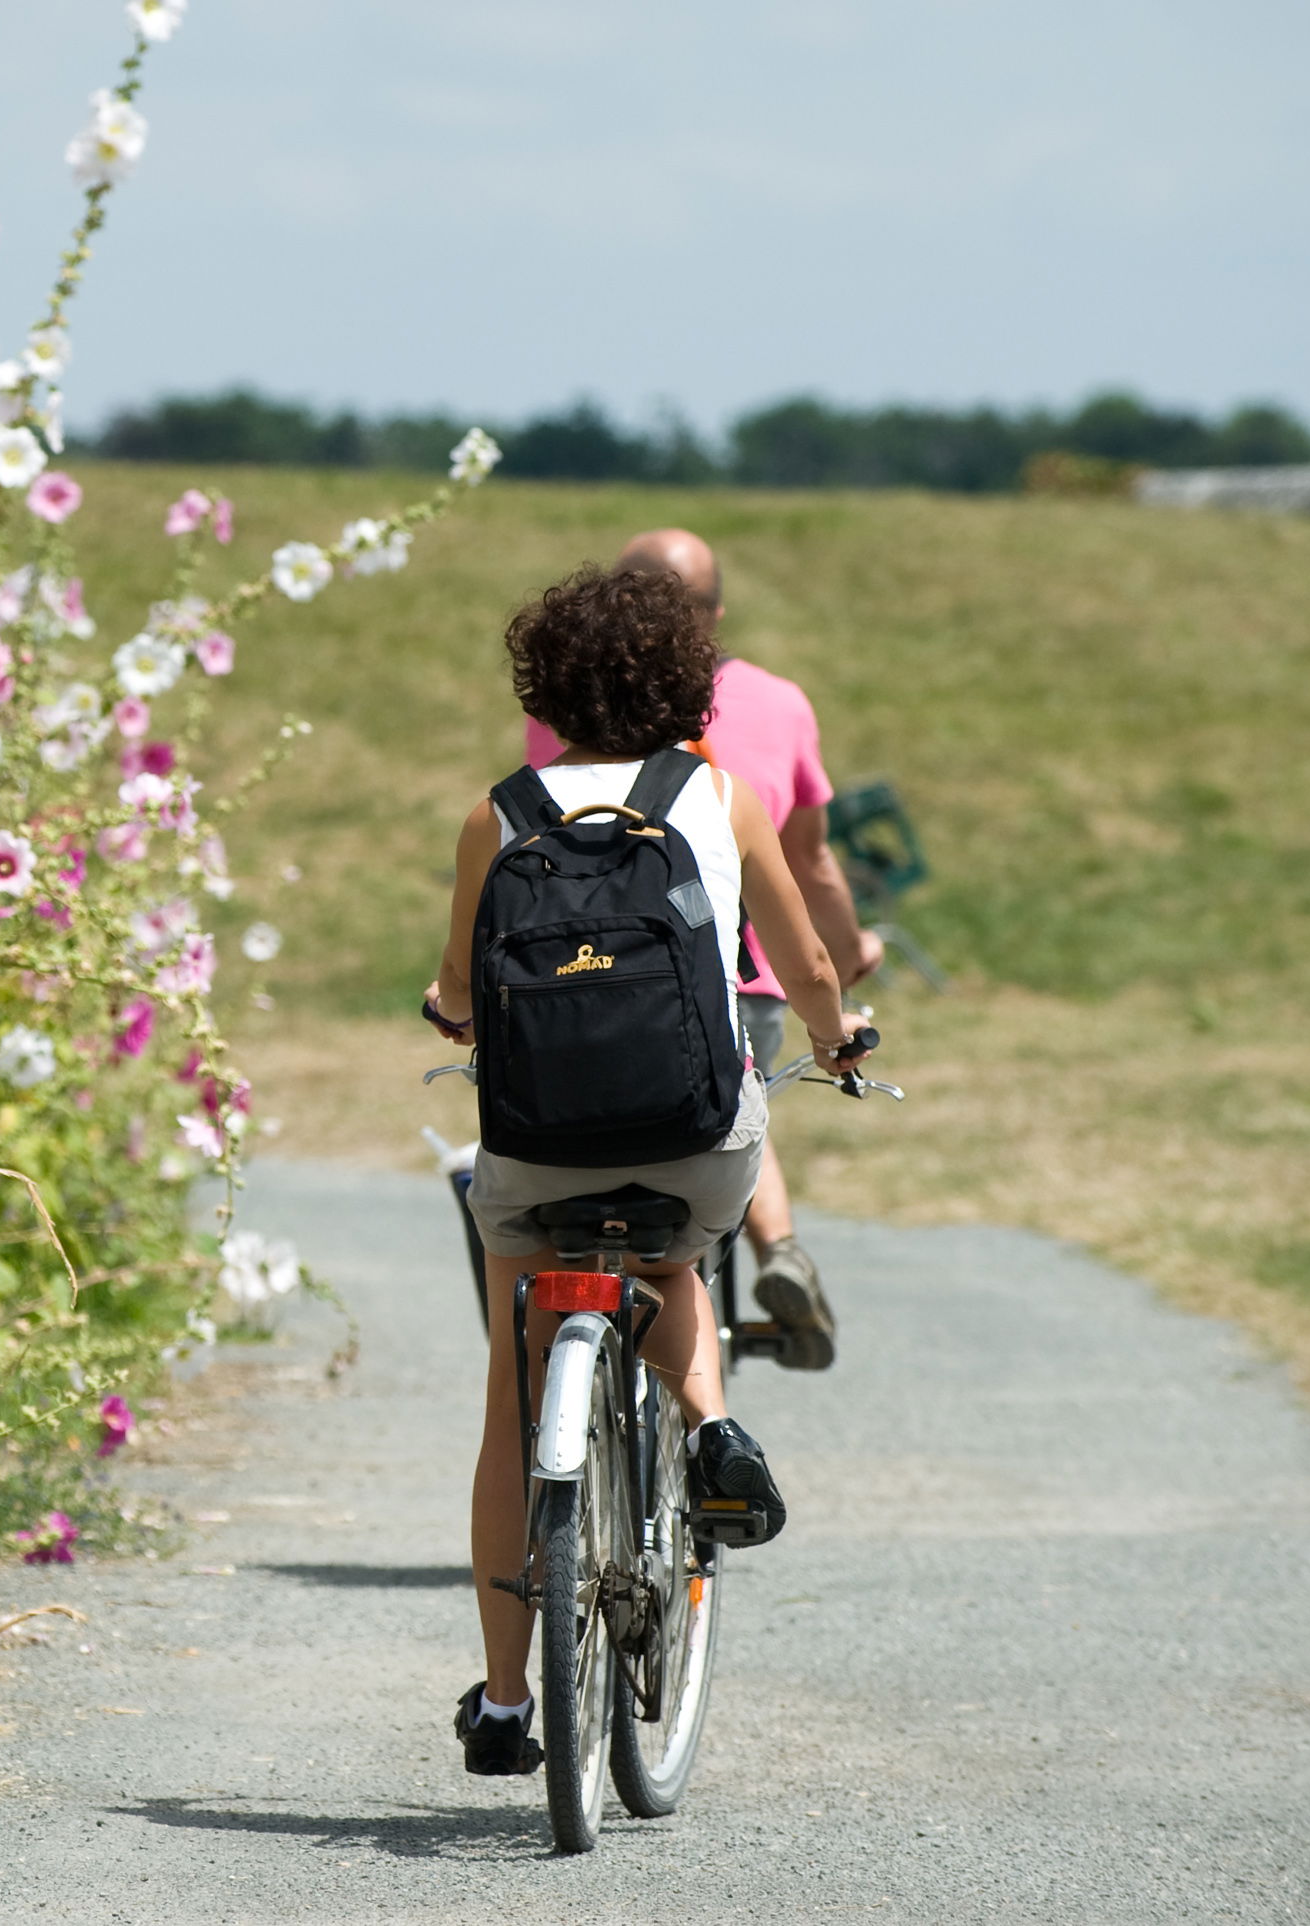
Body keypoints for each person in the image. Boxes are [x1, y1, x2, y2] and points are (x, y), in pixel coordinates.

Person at [428, 559, 873, 1775]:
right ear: (687, 682)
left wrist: (447, 1006)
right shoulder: (719, 799)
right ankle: (713, 1423)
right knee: (673, 1252)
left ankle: (513, 1706)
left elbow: (462, 989)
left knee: (513, 1398)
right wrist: (838, 1042)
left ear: (547, 685)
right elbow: (807, 969)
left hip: (534, 1148)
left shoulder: (499, 813)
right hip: (694, 1135)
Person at [523, 526, 879, 1372]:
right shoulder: (779, 704)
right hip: (740, 971)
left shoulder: (565, 709)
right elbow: (811, 860)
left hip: (579, 978)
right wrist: (847, 949)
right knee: (731, 1102)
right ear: (713, 617)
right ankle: (777, 1249)